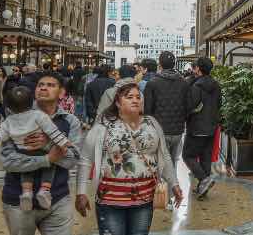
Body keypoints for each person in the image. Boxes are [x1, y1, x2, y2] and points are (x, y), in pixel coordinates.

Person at [76, 81, 184, 235]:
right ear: (118, 103)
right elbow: (86, 159)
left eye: (138, 97)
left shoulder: (152, 124)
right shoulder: (103, 126)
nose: (135, 100)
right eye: (129, 97)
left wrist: (174, 184)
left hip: (144, 200)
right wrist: (81, 192)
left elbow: (164, 156)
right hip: (110, 200)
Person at [0, 70, 82, 234]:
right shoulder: (14, 117)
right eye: (40, 85)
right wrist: (47, 159)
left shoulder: (70, 121)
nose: (44, 88)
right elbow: (8, 161)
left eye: (50, 85)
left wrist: (47, 144)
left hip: (57, 200)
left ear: (62, 92)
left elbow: (72, 160)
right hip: (17, 201)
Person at [142, 52, 189, 209]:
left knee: (159, 164)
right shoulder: (183, 82)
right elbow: (188, 106)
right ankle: (169, 197)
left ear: (160, 64)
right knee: (172, 164)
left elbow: (147, 110)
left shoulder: (152, 83)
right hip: (177, 131)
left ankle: (160, 197)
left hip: (159, 131)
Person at [183, 57, 221, 199]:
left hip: (197, 126)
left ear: (198, 68)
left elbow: (191, 106)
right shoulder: (216, 85)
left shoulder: (197, 86)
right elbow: (219, 104)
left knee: (188, 156)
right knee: (205, 158)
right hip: (211, 126)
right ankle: (202, 189)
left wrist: (186, 116)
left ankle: (204, 179)